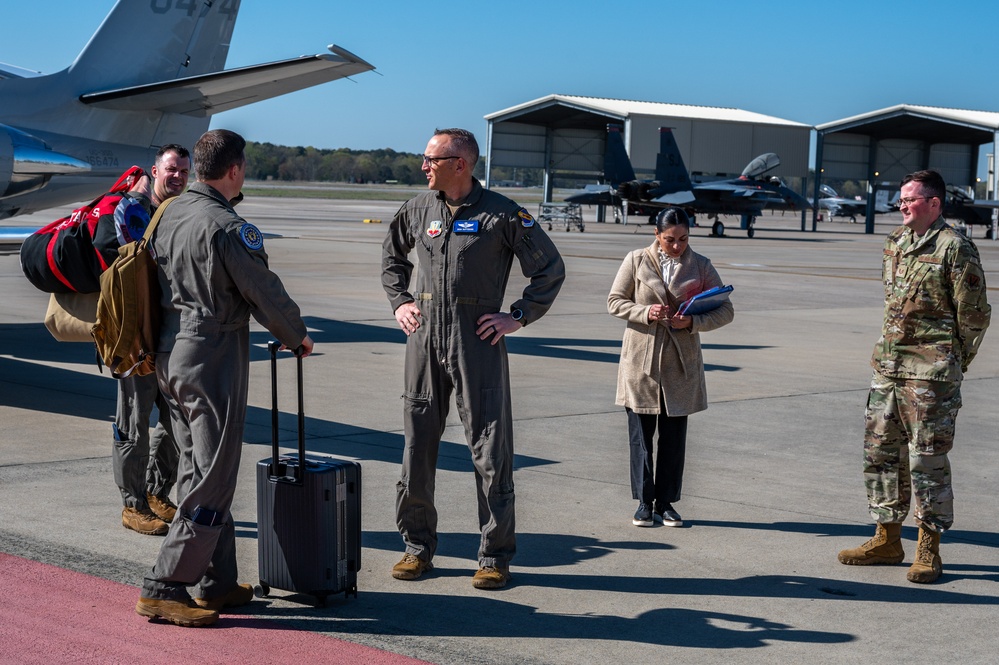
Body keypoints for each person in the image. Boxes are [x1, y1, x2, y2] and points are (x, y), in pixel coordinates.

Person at [135, 129, 314, 627]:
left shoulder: (168, 212)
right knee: (214, 475)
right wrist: (295, 335)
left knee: (198, 466)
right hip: (211, 354)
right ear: (234, 170)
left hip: (169, 353)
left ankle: (215, 580)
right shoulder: (227, 225)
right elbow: (263, 291)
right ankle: (165, 585)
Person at [381, 128, 565, 590]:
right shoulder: (418, 208)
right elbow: (391, 257)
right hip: (424, 340)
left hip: (476, 342)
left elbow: (548, 268)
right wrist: (401, 301)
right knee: (417, 446)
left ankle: (494, 556)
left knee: (489, 449)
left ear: (459, 164)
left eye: (431, 158)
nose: (423, 165)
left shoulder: (503, 215)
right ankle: (416, 548)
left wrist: (517, 316)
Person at [837, 170, 990, 584]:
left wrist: (953, 364)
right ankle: (886, 538)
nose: (902, 205)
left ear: (934, 203)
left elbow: (974, 316)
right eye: (901, 200)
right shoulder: (895, 243)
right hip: (887, 368)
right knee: (880, 454)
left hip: (931, 375)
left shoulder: (955, 248)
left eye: (910, 199)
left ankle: (929, 546)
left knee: (927, 460)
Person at [607, 207, 733, 528]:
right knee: (641, 438)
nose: (677, 246)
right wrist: (646, 311)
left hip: (680, 364)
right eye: (670, 239)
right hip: (640, 364)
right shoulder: (636, 260)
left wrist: (692, 321)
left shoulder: (701, 265)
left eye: (683, 239)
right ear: (656, 234)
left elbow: (726, 310)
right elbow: (614, 302)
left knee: (674, 438)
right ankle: (643, 503)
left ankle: (666, 504)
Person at [98, 145, 191, 536]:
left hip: (169, 336)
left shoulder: (179, 212)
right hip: (136, 336)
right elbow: (137, 269)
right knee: (133, 425)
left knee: (178, 420)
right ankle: (132, 505)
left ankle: (156, 492)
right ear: (155, 170)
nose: (178, 177)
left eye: (185, 172)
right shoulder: (133, 210)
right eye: (172, 169)